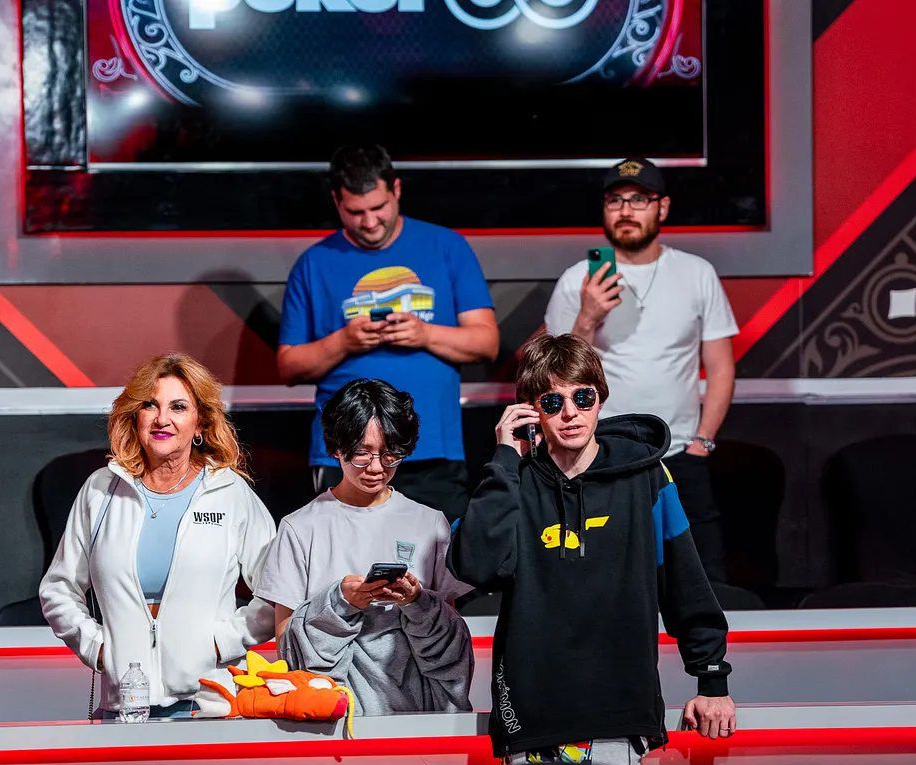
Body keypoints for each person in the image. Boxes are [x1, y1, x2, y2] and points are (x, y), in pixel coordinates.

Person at [448, 333, 736, 765]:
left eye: (582, 397)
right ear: (531, 410)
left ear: (600, 398)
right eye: (552, 402)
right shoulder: (512, 480)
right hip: (531, 716)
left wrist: (711, 678)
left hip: (618, 713)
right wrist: (504, 458)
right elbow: (475, 566)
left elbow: (684, 579)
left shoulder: (645, 475)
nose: (570, 413)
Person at [40, 353, 277, 717]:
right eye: (150, 405)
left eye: (178, 407)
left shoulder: (229, 492)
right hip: (124, 707)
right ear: (135, 416)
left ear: (200, 424)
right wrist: (98, 649)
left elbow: (279, 590)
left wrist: (221, 645)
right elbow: (58, 589)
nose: (162, 418)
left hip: (210, 704)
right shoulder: (101, 490)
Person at [277, 144, 499, 522]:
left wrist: (424, 334)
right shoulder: (313, 263)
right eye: (355, 212)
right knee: (345, 556)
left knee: (441, 557)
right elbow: (289, 366)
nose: (369, 222)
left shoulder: (447, 246)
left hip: (432, 450)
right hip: (346, 452)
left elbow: (487, 342)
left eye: (378, 208)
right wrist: (344, 341)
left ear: (396, 189)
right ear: (337, 202)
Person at [543, 156, 739, 583]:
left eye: (639, 199)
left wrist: (703, 442)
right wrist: (588, 316)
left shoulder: (696, 273)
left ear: (662, 208)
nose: (626, 210)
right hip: (599, 456)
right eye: (615, 200)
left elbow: (721, 366)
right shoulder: (577, 280)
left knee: (702, 577)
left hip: (681, 453)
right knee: (604, 576)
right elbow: (556, 376)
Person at [256, 379, 474, 716]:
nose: (376, 467)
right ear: (336, 448)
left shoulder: (429, 523)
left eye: (390, 454)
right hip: (329, 718)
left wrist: (416, 602)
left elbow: (450, 642)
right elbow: (287, 648)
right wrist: (340, 602)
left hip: (416, 718)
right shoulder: (300, 528)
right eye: (361, 453)